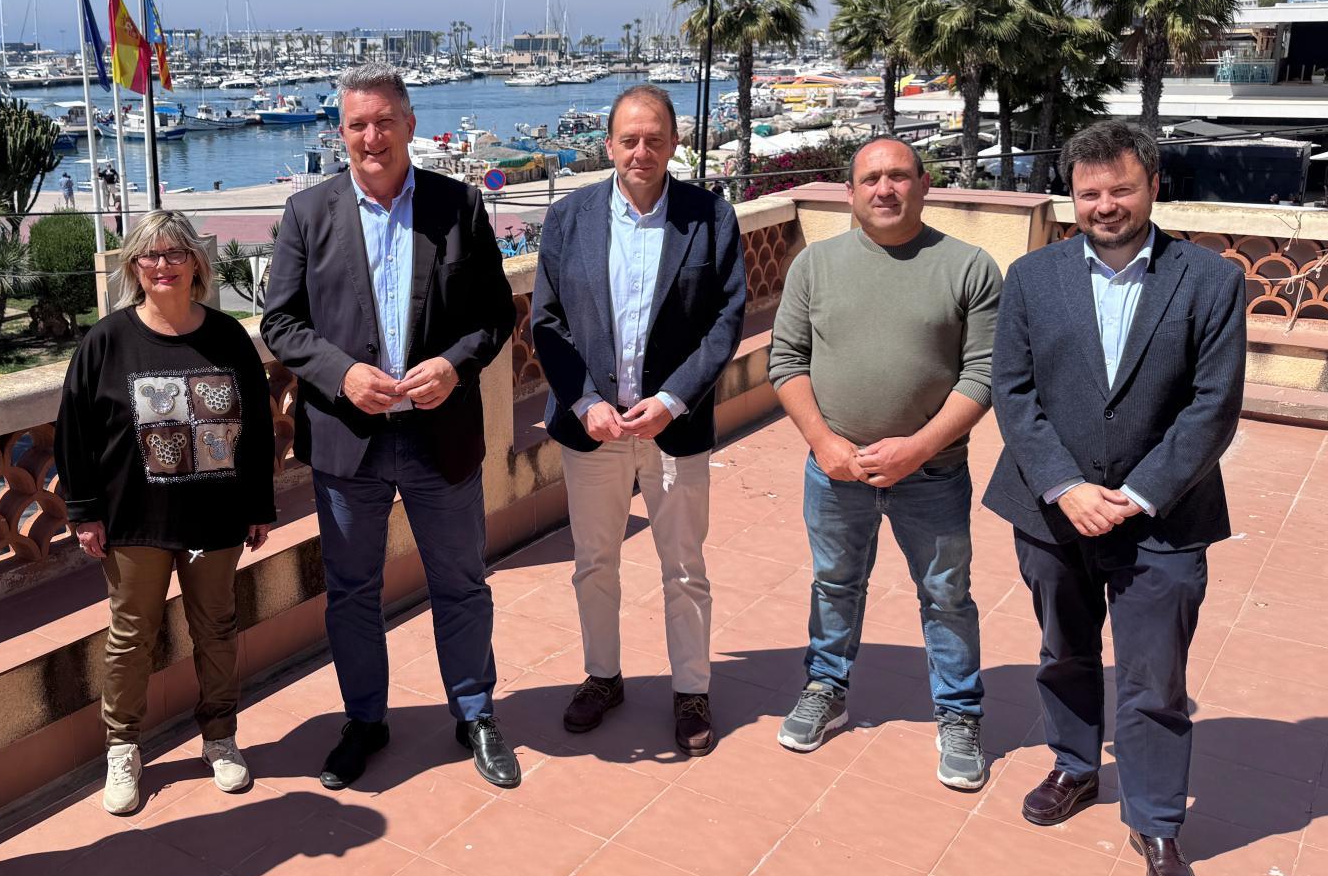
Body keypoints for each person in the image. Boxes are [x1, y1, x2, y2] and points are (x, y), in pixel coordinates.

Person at [985, 120, 1243, 876]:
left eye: (1121, 189)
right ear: (1072, 198)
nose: (1105, 205)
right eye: (1089, 193)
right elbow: (1013, 393)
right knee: (1064, 650)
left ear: (1153, 186)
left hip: (1164, 516)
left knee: (1154, 674)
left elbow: (1213, 406)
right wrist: (1065, 485)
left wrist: (1136, 494)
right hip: (1053, 511)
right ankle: (1074, 765)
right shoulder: (1032, 277)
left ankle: (1156, 820)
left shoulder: (1210, 279)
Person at [262, 63, 519, 790]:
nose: (371, 137)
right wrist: (342, 373)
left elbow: (494, 313)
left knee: (461, 583)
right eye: (357, 124)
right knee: (351, 591)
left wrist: (455, 366)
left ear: (409, 125)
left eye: (384, 122)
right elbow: (280, 322)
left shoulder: (458, 205)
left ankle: (475, 713)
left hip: (440, 435)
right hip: (350, 440)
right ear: (340, 133)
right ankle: (365, 720)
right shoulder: (308, 213)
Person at [767, 137, 1003, 791]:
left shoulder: (969, 267)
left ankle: (959, 713)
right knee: (835, 583)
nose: (885, 189)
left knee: (946, 595)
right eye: (870, 178)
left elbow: (983, 374)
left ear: (924, 185)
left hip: (933, 472)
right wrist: (823, 443)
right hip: (835, 470)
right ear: (849, 193)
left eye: (899, 176)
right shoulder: (816, 265)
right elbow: (786, 362)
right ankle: (826, 686)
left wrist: (918, 447)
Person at [530, 84, 746, 754]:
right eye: (629, 140)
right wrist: (585, 402)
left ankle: (691, 689)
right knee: (594, 562)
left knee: (684, 567)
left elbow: (726, 320)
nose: (641, 151)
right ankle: (603, 677)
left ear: (674, 143)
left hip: (673, 427)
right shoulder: (568, 218)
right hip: (591, 428)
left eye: (654, 139)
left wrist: (673, 400)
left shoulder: (710, 217)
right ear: (609, 146)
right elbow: (546, 323)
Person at [54, 210, 276, 816]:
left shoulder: (227, 336)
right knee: (131, 636)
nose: (162, 266)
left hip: (215, 519)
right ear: (134, 266)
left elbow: (257, 427)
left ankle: (220, 736)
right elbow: (75, 432)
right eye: (149, 255)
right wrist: (84, 511)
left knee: (217, 628)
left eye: (175, 253)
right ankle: (122, 747)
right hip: (135, 521)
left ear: (196, 263)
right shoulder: (106, 341)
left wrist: (259, 503)